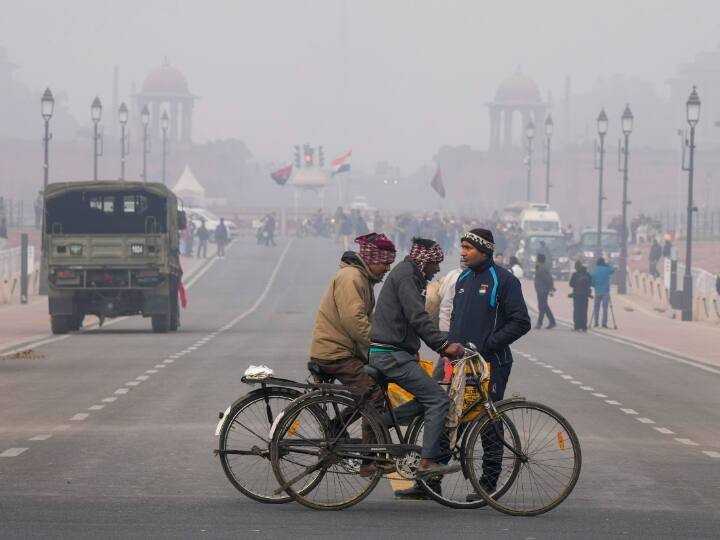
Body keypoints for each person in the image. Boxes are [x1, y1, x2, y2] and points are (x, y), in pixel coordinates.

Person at [369, 237, 464, 481]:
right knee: (439, 401)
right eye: (436, 264)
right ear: (425, 261)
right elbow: (417, 317)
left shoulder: (410, 274)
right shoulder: (407, 276)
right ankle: (426, 462)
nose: (438, 270)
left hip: (394, 352)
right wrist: (443, 345)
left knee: (429, 398)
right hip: (391, 355)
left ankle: (379, 422)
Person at [450, 228, 530, 501]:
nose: (463, 253)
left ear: (484, 251)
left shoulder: (503, 280)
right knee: (452, 417)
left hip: (491, 364)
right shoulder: (463, 278)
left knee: (488, 423)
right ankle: (432, 480)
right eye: (462, 247)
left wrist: (486, 345)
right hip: (462, 364)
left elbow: (521, 322)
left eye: (468, 248)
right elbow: (455, 320)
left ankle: (488, 483)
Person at [309, 233, 397, 478]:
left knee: (371, 388)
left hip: (344, 350)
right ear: (371, 259)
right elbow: (354, 321)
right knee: (373, 393)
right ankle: (369, 459)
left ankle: (339, 425)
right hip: (335, 352)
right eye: (384, 263)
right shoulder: (352, 278)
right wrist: (378, 345)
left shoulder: (362, 278)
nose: (387, 269)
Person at [534, 253, 556, 329]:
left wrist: (551, 288)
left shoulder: (542, 268)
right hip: (540, 290)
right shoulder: (541, 267)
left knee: (542, 307)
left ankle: (539, 323)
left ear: (538, 260)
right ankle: (552, 322)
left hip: (542, 290)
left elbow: (548, 279)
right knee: (544, 306)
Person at [591, 257, 615, 328]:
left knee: (596, 308)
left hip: (597, 291)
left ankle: (596, 322)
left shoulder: (594, 270)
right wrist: (607, 264)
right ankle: (604, 323)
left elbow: (592, 282)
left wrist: (595, 286)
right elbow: (613, 270)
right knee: (605, 308)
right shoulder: (607, 269)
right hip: (605, 291)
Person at [569, 260, 592, 331]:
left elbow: (571, 284)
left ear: (576, 267)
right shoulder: (587, 274)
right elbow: (590, 283)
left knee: (577, 311)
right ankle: (584, 326)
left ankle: (577, 326)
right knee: (584, 311)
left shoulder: (575, 275)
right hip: (585, 295)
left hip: (577, 295)